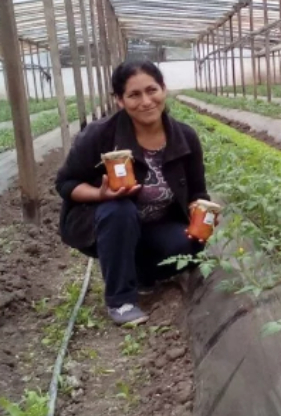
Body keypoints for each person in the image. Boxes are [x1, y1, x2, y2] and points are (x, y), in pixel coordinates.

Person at [55, 60, 210, 325]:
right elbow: (66, 184)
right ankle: (121, 300)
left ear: (164, 89)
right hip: (104, 223)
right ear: (119, 100)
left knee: (191, 245)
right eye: (134, 95)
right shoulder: (100, 135)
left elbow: (198, 191)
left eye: (152, 90)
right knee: (120, 209)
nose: (146, 101)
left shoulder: (184, 137)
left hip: (155, 224)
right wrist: (100, 194)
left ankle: (141, 273)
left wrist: (201, 211)